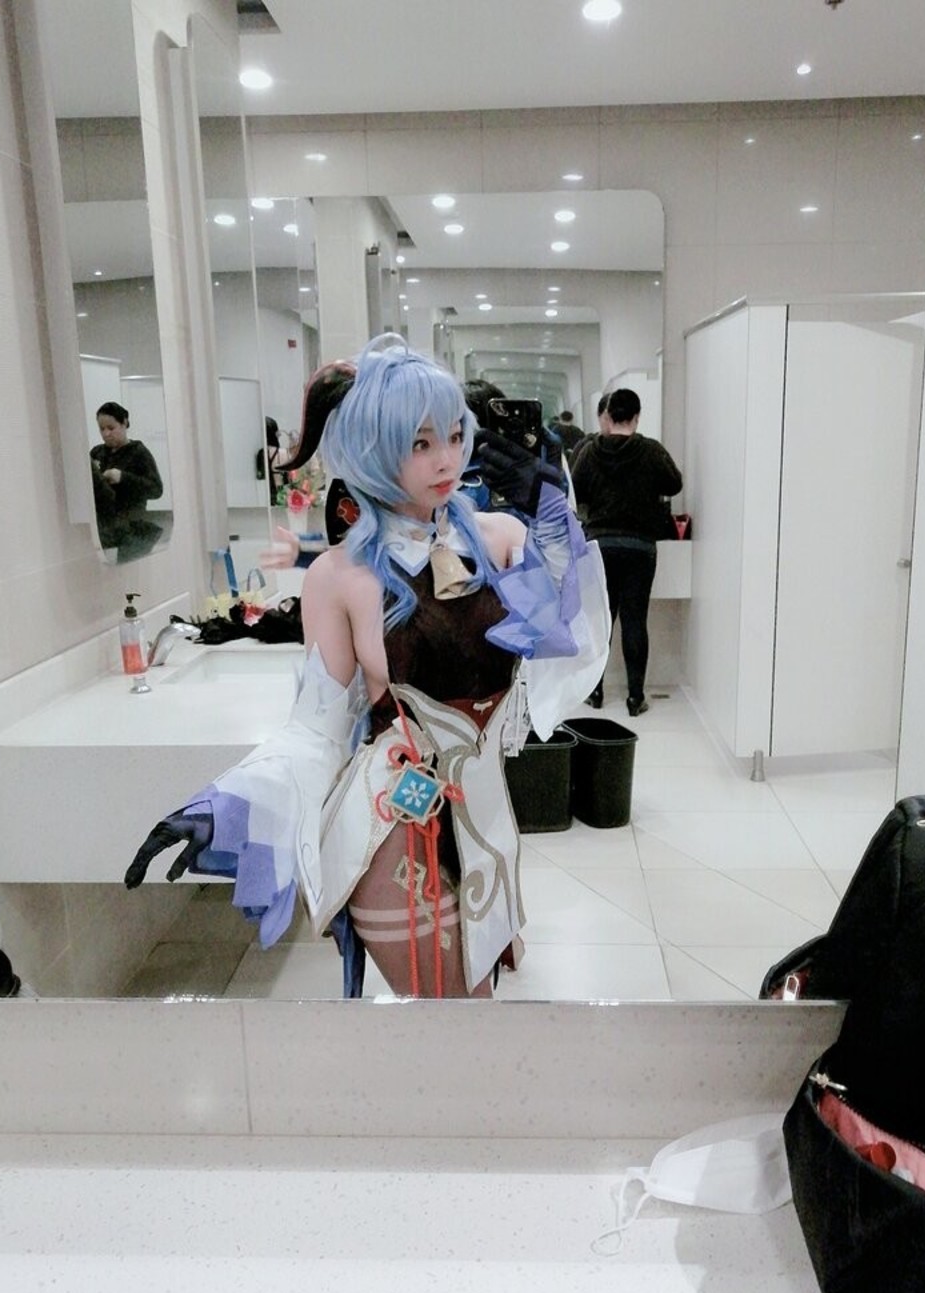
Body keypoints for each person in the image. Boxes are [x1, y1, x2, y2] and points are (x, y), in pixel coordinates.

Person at [125, 335, 609, 999]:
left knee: (478, 1013)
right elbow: (316, 728)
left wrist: (553, 509)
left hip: (486, 818)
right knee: (452, 1015)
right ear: (372, 450)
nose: (446, 459)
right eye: (419, 443)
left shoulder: (499, 539)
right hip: (393, 824)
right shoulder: (339, 575)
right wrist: (232, 805)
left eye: (454, 435)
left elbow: (572, 634)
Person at [571, 386, 682, 717]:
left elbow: (576, 491)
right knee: (635, 620)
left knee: (601, 621)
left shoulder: (590, 451)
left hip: (600, 545)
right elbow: (674, 484)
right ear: (636, 416)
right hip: (639, 546)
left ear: (607, 416)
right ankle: (635, 697)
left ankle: (595, 692)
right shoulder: (651, 451)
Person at [90, 402, 164, 559]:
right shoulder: (97, 452)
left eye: (111, 428)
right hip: (103, 527)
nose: (106, 434)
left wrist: (123, 477)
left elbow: (156, 489)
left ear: (124, 423)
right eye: (102, 429)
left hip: (131, 528)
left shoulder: (139, 453)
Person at [257, 416, 296, 505]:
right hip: (282, 495)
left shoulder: (261, 453)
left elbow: (260, 476)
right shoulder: (283, 453)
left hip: (265, 497)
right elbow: (291, 478)